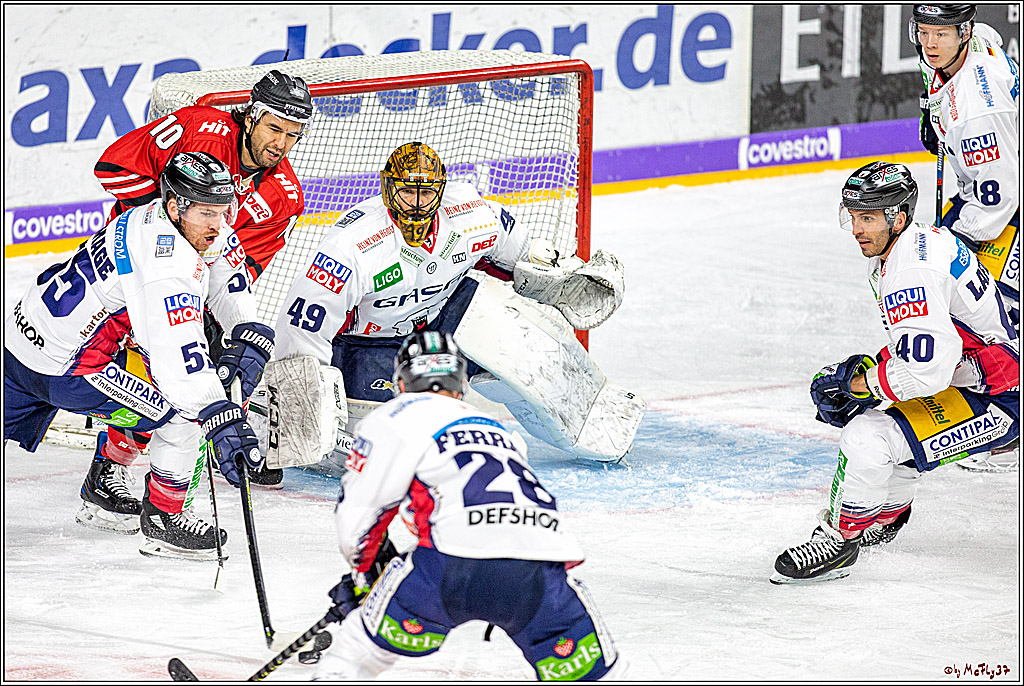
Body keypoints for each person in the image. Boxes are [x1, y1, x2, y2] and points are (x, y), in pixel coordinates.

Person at [268, 141, 644, 473]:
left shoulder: (471, 214)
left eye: (426, 193)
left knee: (529, 350)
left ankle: (593, 419)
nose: (416, 204)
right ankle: (262, 418)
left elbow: (522, 256)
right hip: (367, 344)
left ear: (441, 190)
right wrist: (305, 399)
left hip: (444, 315)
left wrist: (561, 278)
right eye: (406, 193)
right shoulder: (351, 247)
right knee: (387, 453)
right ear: (387, 189)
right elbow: (301, 329)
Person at [312, 331, 630, 680]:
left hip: (450, 570)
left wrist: (366, 575)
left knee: (357, 652)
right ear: (461, 384)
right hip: (537, 572)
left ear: (401, 383)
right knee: (599, 676)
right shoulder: (500, 431)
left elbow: (360, 515)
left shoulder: (394, 417)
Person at [5, 152, 270, 560]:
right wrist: (220, 414)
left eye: (223, 210)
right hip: (69, 367)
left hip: (18, 341)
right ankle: (165, 520)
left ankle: (104, 485)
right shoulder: (165, 265)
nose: (217, 225)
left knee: (146, 377)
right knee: (184, 412)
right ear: (175, 206)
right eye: (205, 213)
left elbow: (226, 278)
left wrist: (246, 331)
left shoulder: (162, 218)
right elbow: (178, 362)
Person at [770, 161, 1019, 584]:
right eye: (853, 216)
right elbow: (934, 342)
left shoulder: (909, 271)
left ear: (897, 217)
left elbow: (929, 372)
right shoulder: (918, 243)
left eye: (867, 217)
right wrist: (877, 373)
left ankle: (840, 540)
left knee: (867, 436)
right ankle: (885, 515)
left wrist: (862, 385)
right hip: (986, 375)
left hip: (1001, 398)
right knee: (895, 430)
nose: (856, 229)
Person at [90, 68, 313, 489]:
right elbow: (113, 167)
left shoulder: (284, 196)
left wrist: (220, 313)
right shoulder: (200, 128)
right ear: (251, 116)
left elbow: (245, 265)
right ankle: (109, 468)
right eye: (274, 128)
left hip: (194, 290)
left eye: (293, 134)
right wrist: (166, 223)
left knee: (211, 370)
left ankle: (214, 445)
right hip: (129, 275)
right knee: (139, 383)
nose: (280, 143)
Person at [913, 4, 1020, 471]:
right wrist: (934, 114)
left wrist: (955, 243)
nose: (930, 43)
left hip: (1006, 208)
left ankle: (1008, 424)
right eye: (923, 32)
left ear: (963, 32)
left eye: (940, 34)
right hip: (993, 188)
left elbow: (1000, 199)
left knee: (978, 308)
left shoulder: (975, 108)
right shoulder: (975, 43)